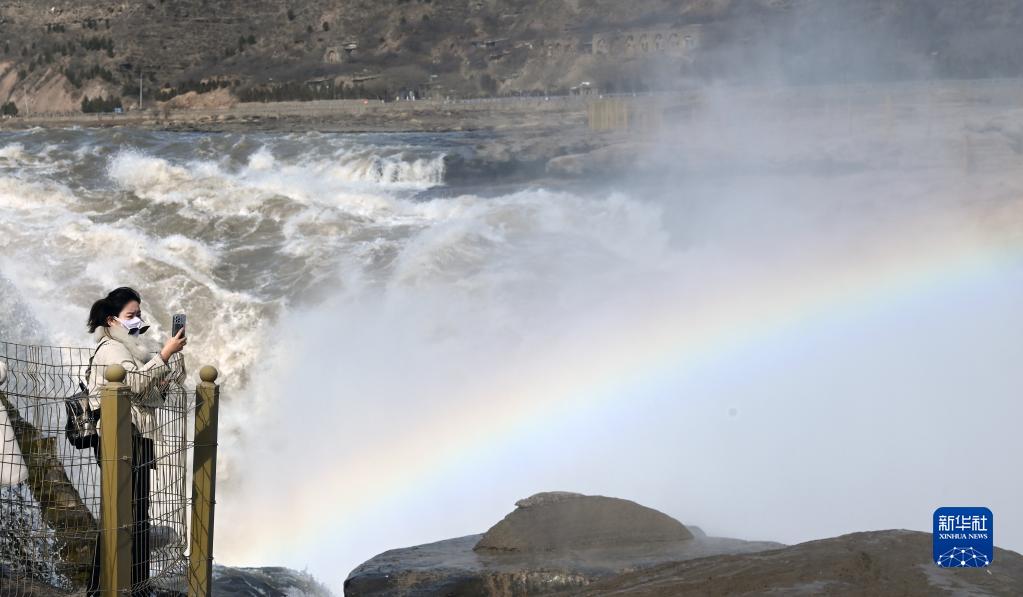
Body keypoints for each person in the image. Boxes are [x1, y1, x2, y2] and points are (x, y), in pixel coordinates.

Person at [85, 286, 185, 597]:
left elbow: (150, 396)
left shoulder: (131, 350)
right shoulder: (112, 350)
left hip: (136, 440)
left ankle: (135, 584)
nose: (137, 320)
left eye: (139, 314)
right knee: (122, 517)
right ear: (112, 320)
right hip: (119, 441)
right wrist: (164, 354)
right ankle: (106, 587)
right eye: (131, 315)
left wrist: (171, 364)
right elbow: (136, 384)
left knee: (136, 514)